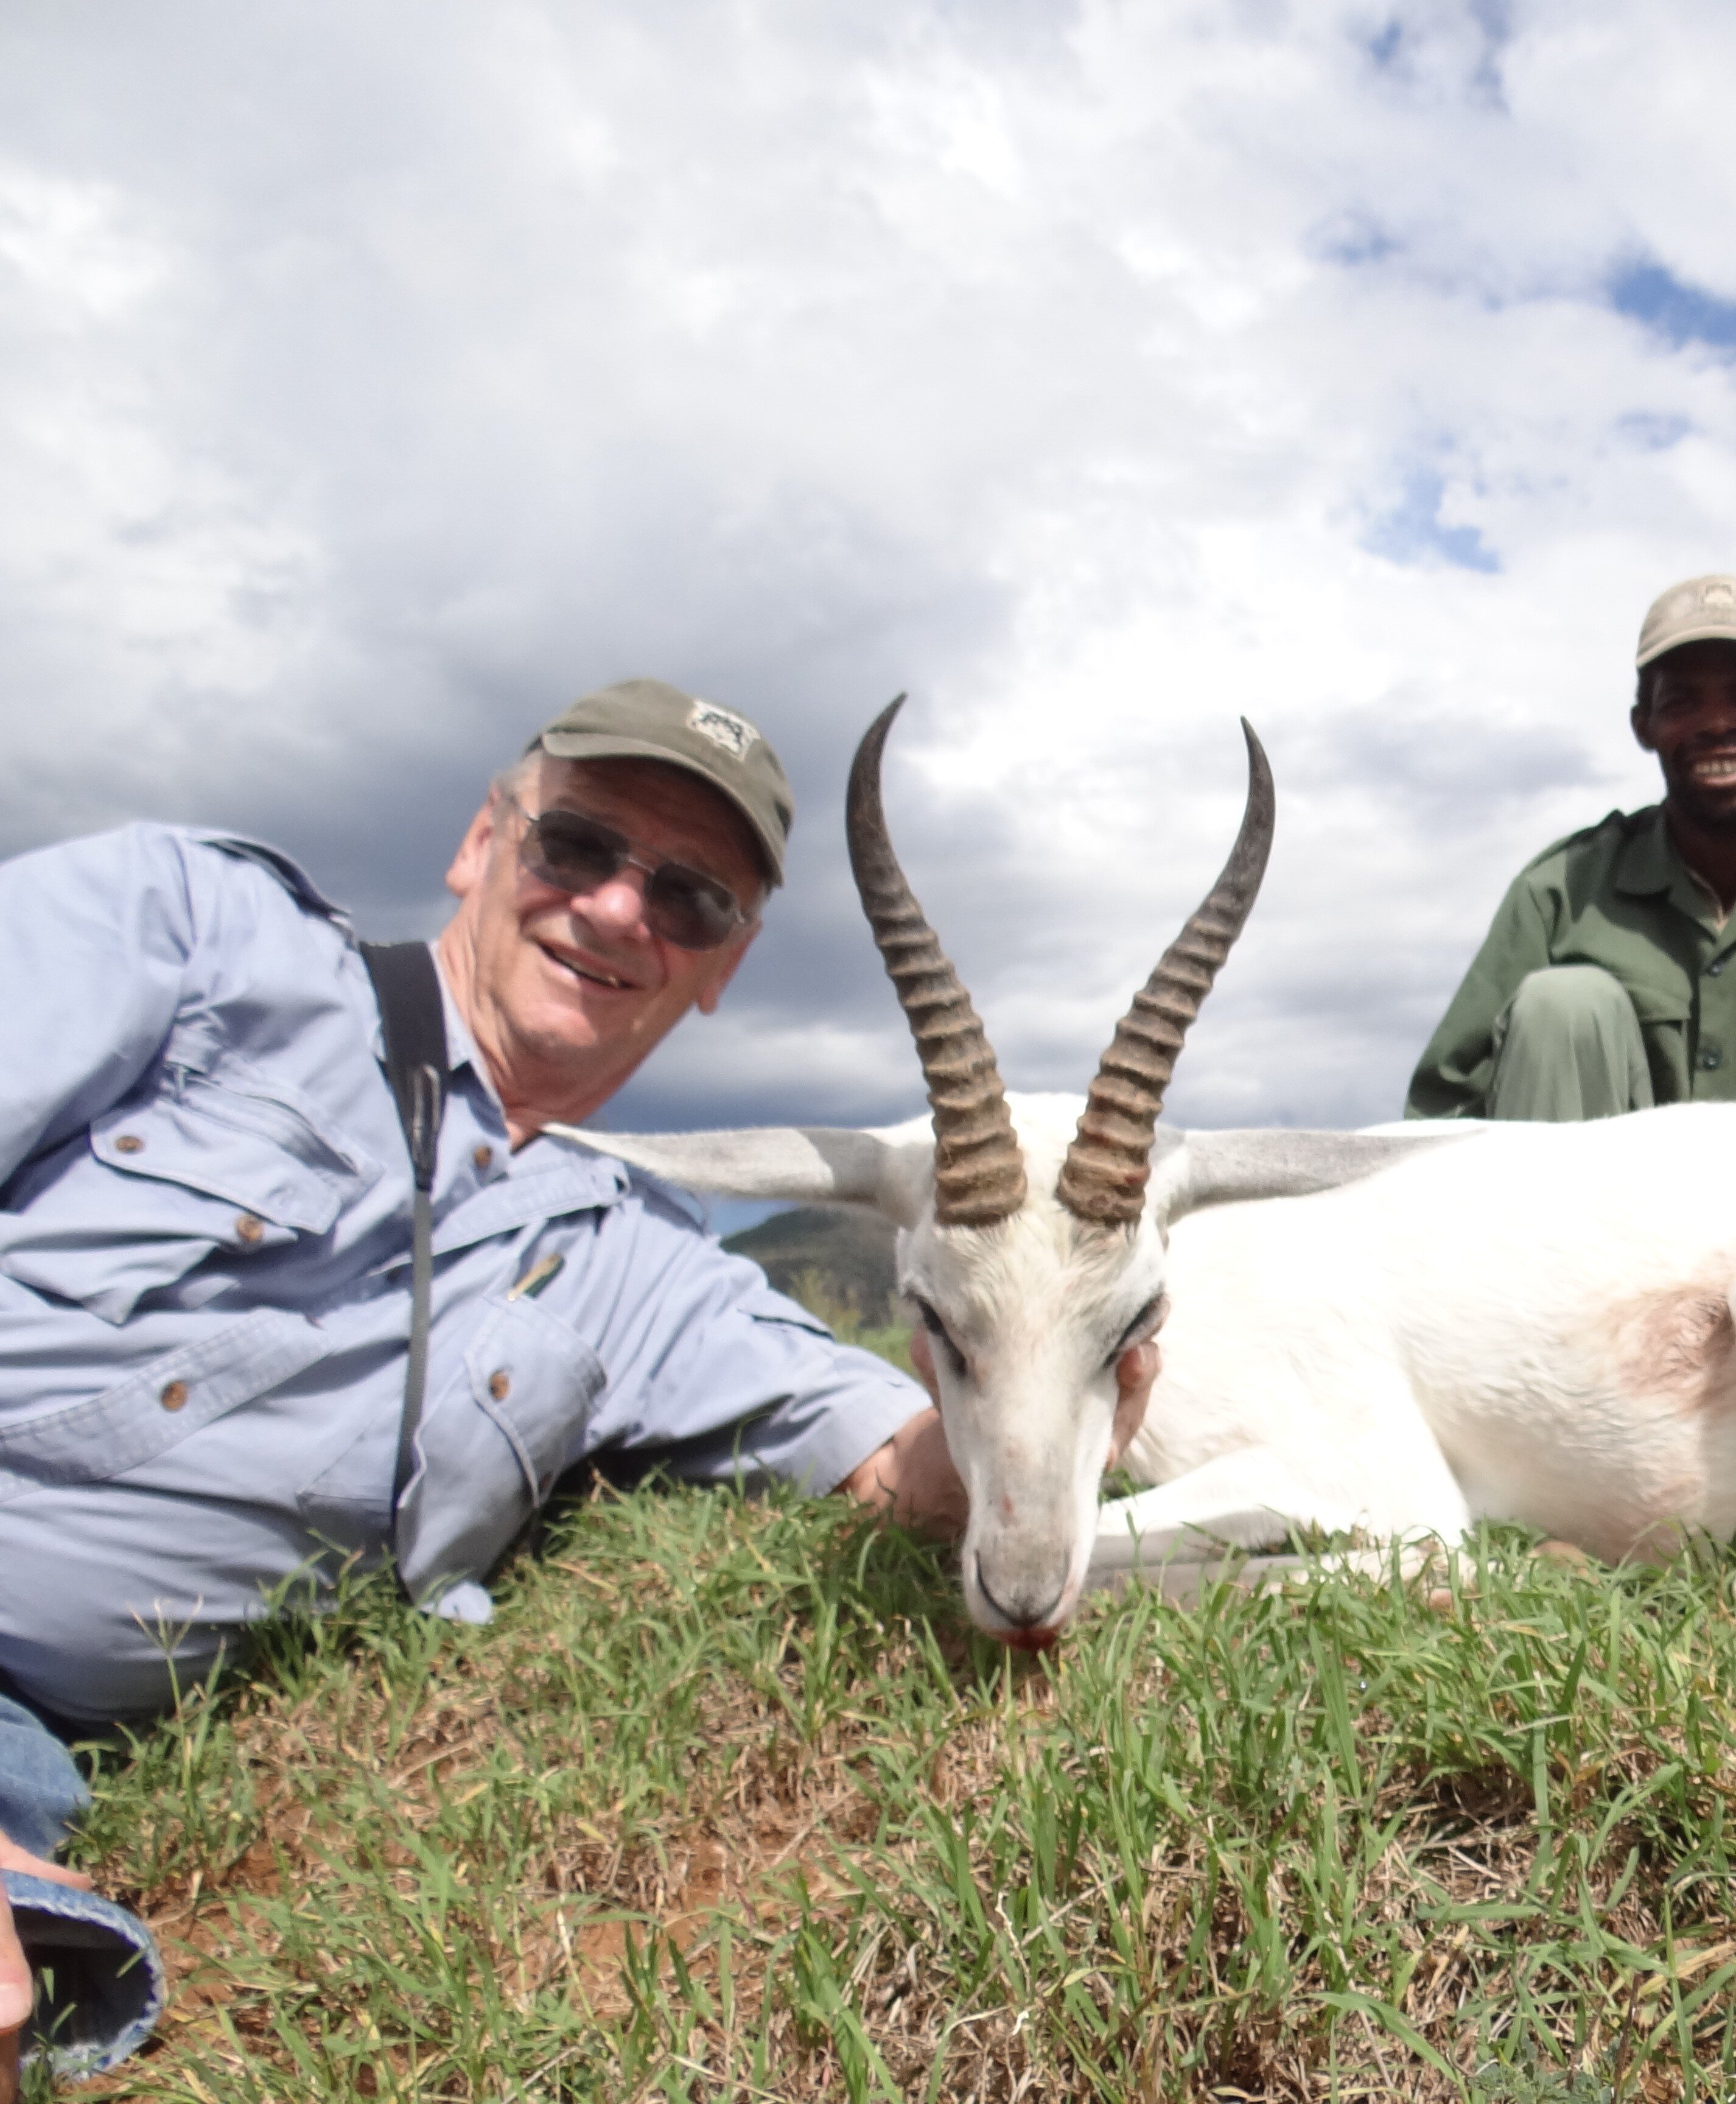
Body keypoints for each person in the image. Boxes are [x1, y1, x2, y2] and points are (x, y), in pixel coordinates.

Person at [0, 679, 1002, 2094]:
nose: (613, 911)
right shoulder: (192, 931)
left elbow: (903, 1466)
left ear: (724, 963)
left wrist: (1028, 1391)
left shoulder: (642, 1261)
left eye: (691, 897)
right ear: (483, 839)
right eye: (578, 846)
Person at [1407, 575, 1736, 1120]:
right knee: (1562, 1005)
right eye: (1683, 703)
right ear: (1644, 725)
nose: (1718, 724)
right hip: (1590, 1203)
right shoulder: (1562, 894)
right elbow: (1439, 1117)